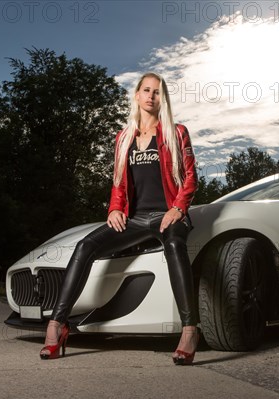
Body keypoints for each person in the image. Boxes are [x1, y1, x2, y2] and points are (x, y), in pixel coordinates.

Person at [39, 72, 200, 365]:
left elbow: (190, 177)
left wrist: (178, 209)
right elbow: (119, 184)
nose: (151, 96)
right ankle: (57, 324)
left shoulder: (177, 132)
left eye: (157, 92)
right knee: (85, 246)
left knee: (175, 246)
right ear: (137, 96)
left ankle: (189, 330)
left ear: (162, 99)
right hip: (135, 219)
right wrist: (114, 209)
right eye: (146, 90)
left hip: (169, 214)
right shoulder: (123, 138)